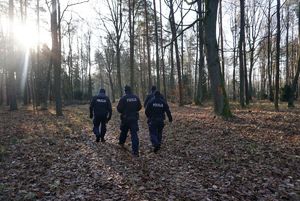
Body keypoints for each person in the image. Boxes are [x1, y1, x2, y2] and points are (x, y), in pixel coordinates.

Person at [117, 85, 142, 157]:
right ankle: (135, 151)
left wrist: (124, 112)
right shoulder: (136, 97)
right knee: (134, 134)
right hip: (134, 118)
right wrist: (134, 111)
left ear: (125, 91)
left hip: (125, 118)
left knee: (124, 132)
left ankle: (121, 143)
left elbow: (119, 109)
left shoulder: (123, 98)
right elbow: (139, 107)